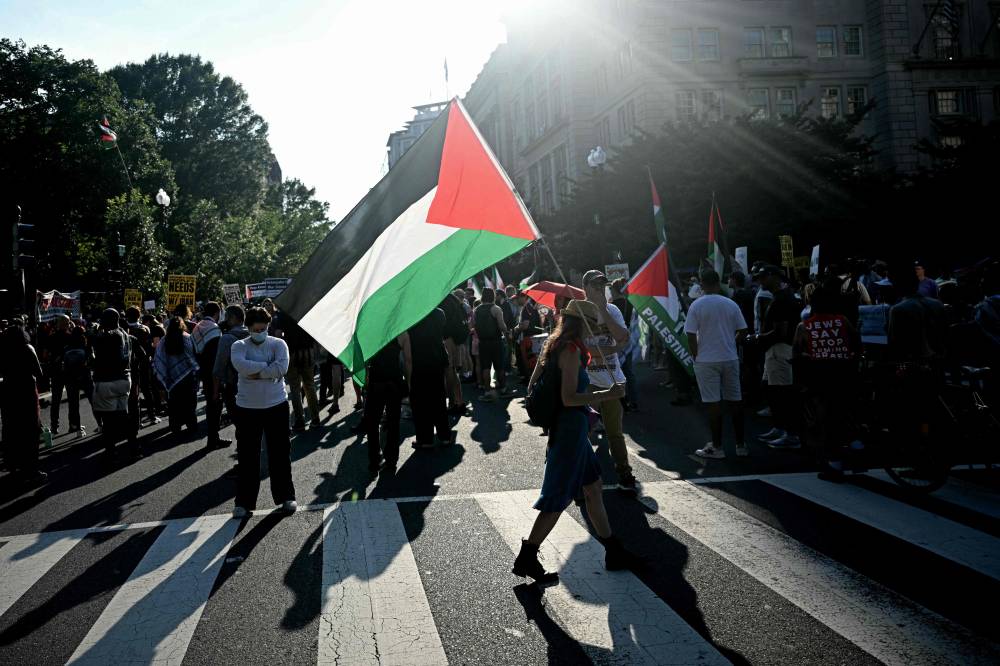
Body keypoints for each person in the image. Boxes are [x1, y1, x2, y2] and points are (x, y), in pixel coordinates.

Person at [514, 300, 639, 583]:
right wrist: (607, 394)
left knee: (593, 487)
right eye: (592, 325)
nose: (595, 330)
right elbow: (569, 399)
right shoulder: (570, 350)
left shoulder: (558, 344)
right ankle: (527, 556)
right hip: (569, 430)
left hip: (573, 429)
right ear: (582, 323)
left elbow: (532, 384)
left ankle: (613, 550)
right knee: (556, 497)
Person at [230, 306, 295, 518]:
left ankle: (286, 497)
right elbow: (240, 365)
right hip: (247, 408)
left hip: (277, 405)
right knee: (248, 456)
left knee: (280, 453)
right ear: (248, 328)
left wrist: (257, 371)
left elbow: (282, 368)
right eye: (257, 329)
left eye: (264, 328)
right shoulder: (238, 346)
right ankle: (243, 502)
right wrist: (267, 368)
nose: (261, 332)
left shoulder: (279, 344)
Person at [793, 280, 860, 481]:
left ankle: (834, 464)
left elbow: (796, 354)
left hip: (819, 378)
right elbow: (857, 344)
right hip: (845, 374)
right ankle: (855, 442)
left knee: (826, 419)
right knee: (846, 412)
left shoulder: (804, 326)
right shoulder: (843, 321)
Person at [684, 269, 749, 459]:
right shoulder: (730, 303)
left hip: (706, 359)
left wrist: (696, 355)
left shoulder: (697, 305)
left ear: (702, 284)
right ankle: (741, 445)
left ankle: (717, 446)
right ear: (718, 283)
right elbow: (743, 330)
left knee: (713, 404)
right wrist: (730, 342)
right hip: (730, 357)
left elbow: (690, 334)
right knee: (735, 400)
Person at [581, 270, 636, 491]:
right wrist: (606, 348)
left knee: (615, 432)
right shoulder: (578, 311)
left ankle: (625, 474)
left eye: (602, 285)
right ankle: (580, 477)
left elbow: (623, 337)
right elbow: (581, 348)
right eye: (595, 286)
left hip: (612, 380)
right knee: (583, 432)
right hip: (587, 382)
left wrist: (603, 308)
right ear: (585, 287)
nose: (599, 290)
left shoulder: (612, 309)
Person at [755, 266, 802, 449]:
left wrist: (758, 337)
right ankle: (779, 427)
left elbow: (780, 332)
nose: (760, 281)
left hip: (779, 349)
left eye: (763, 277)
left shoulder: (781, 300)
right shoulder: (782, 297)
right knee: (771, 390)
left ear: (774, 277)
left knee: (783, 393)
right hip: (775, 350)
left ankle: (791, 434)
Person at [0, 325, 47, 484]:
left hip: (7, 392)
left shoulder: (3, 350)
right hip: (26, 391)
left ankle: (12, 464)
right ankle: (31, 470)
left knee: (11, 428)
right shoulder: (27, 348)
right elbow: (39, 372)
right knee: (30, 430)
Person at [406, 307, 455, 448]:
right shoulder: (440, 313)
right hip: (436, 359)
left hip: (418, 361)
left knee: (420, 403)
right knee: (438, 399)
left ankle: (425, 439)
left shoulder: (411, 315)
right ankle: (445, 436)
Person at [91, 309, 135, 460]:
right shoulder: (125, 334)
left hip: (107, 381)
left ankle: (111, 451)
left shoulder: (107, 336)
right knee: (123, 415)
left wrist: (95, 331)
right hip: (124, 379)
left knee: (108, 421)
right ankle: (134, 447)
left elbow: (94, 344)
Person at [362, 333, 408, 473]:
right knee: (393, 422)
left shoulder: (372, 329)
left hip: (376, 380)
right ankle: (391, 460)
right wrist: (409, 382)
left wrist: (365, 378)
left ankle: (374, 460)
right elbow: (408, 359)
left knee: (372, 423)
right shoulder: (400, 330)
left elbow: (364, 358)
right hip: (394, 380)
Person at [191, 302, 230, 448]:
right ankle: (213, 439)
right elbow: (216, 357)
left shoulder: (197, 326)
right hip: (213, 373)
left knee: (211, 404)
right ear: (217, 313)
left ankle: (213, 438)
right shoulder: (214, 329)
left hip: (203, 370)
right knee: (215, 405)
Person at [153, 317, 199, 437]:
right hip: (189, 376)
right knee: (190, 402)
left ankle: (175, 427)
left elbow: (158, 360)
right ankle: (191, 425)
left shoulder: (163, 340)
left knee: (174, 403)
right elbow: (194, 356)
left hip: (171, 377)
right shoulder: (188, 337)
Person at [213, 304, 250, 443]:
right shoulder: (254, 333)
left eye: (227, 317)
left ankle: (244, 460)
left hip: (234, 386)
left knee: (240, 426)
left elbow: (218, 368)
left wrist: (215, 392)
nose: (225, 320)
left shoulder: (227, 339)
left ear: (233, 318)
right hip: (253, 384)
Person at [280, 313, 321, 432]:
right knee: (310, 386)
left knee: (295, 388)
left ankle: (300, 420)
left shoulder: (284, 314)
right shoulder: (306, 311)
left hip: (291, 352)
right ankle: (315, 418)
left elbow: (278, 334)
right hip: (308, 352)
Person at [474, 288, 512, 402]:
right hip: (496, 341)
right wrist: (507, 333)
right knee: (499, 366)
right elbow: (502, 325)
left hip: (483, 342)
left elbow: (471, 325)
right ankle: (504, 389)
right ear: (493, 296)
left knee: (485, 367)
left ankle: (487, 392)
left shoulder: (476, 310)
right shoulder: (496, 309)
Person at [440, 291, 469, 415]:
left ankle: (452, 403)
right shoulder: (455, 300)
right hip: (458, 338)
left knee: (449, 371)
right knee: (453, 371)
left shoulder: (442, 300)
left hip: (448, 338)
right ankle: (459, 401)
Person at [45, 315, 74, 435]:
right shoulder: (70, 337)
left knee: (56, 400)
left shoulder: (51, 337)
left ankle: (54, 426)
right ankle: (73, 424)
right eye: (68, 322)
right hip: (69, 371)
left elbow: (45, 354)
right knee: (72, 399)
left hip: (56, 372)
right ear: (65, 323)